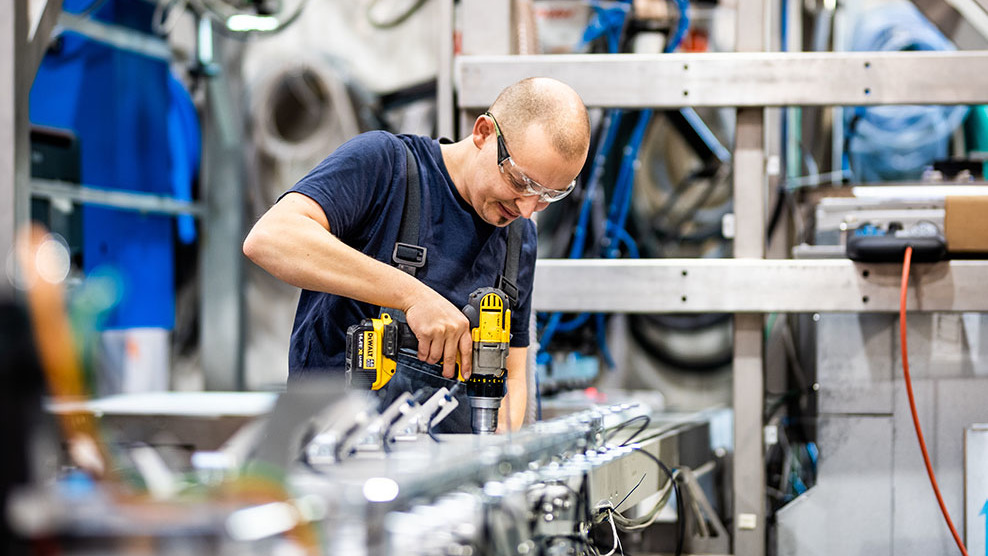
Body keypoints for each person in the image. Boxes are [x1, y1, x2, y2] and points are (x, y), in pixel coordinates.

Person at [243, 77, 590, 432]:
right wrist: (413, 296)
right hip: (337, 460)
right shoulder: (387, 166)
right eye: (520, 181)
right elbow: (271, 238)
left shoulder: (520, 238)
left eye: (549, 194)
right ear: (484, 133)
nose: (528, 208)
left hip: (448, 476)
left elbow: (512, 380)